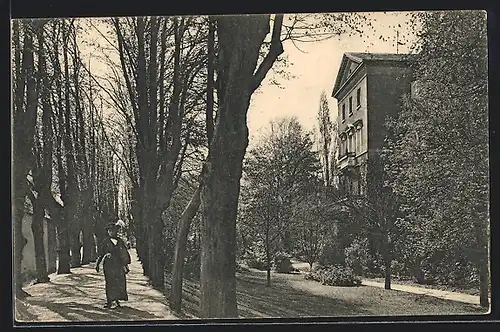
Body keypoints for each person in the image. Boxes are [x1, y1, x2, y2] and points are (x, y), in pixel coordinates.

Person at [95, 222, 131, 309]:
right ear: (107, 232)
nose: (111, 232)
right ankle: (109, 301)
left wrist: (125, 264)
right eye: (109, 231)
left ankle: (117, 300)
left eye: (113, 231)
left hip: (118, 264)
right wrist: (97, 264)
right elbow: (101, 254)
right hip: (108, 265)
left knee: (119, 281)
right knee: (110, 282)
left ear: (116, 231)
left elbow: (124, 253)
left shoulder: (120, 241)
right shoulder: (105, 242)